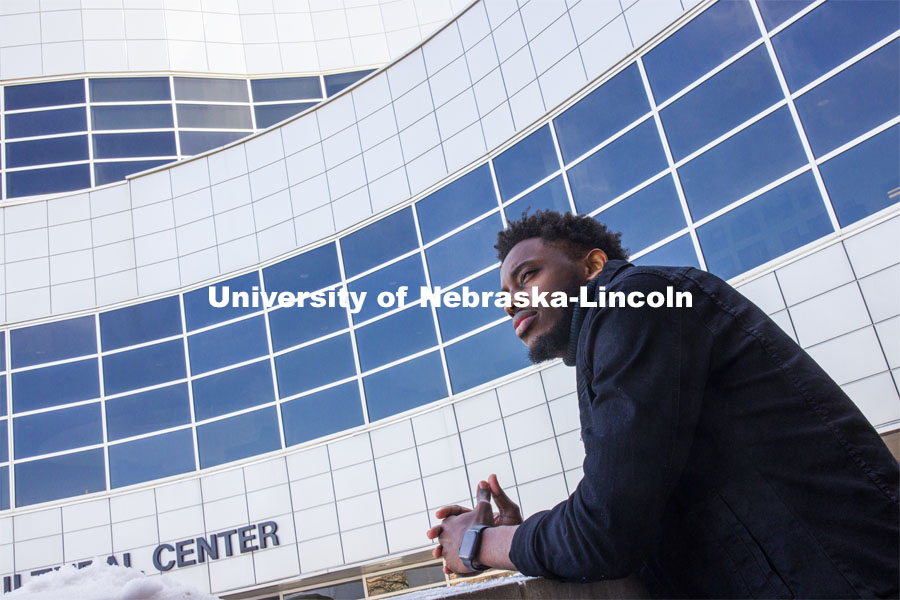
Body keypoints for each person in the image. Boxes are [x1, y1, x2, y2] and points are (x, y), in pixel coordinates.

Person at [425, 210, 899, 598]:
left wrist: (480, 544)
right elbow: (635, 516)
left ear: (592, 267)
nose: (511, 303)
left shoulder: (639, 302)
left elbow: (604, 535)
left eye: (527, 276)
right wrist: (520, 534)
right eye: (505, 295)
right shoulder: (620, 332)